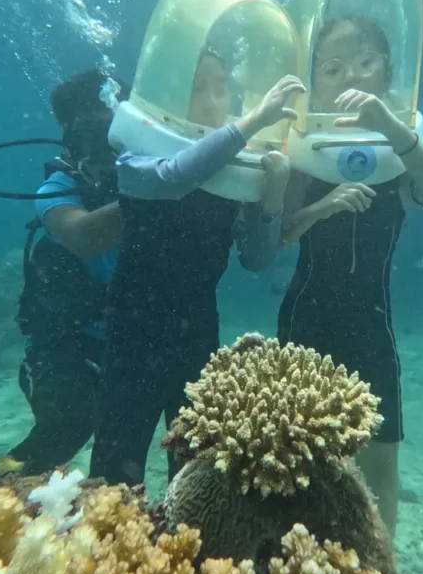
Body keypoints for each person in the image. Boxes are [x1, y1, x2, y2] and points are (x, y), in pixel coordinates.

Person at [90, 50, 304, 486]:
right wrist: (253, 122)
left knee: (196, 470)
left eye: (221, 86)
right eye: (196, 88)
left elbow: (256, 259)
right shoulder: (136, 155)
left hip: (197, 332)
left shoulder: (234, 170)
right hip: (132, 333)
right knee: (115, 465)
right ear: (169, 97)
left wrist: (273, 200)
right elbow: (175, 176)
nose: (211, 99)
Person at [277, 15, 423, 538]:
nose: (349, 76)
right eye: (331, 68)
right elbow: (279, 234)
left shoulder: (401, 147)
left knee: (381, 462)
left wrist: (392, 127)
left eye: (364, 62)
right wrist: (322, 207)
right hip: (305, 320)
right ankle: (295, 565)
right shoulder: (301, 144)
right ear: (314, 80)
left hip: (373, 326)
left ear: (389, 71)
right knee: (296, 459)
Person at [0, 69, 126, 479]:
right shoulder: (56, 190)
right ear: (68, 142)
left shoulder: (152, 179)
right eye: (89, 139)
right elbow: (83, 236)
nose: (105, 154)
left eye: (114, 137)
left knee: (121, 441)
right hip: (63, 346)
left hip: (129, 339)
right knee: (67, 423)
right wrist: (163, 185)